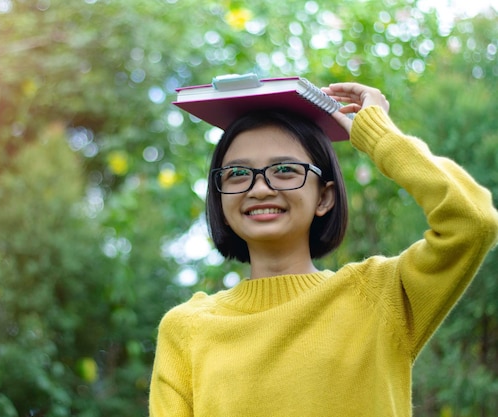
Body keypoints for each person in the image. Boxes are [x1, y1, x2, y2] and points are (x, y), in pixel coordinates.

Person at [148, 82, 498, 416]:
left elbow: (472, 221)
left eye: (284, 170)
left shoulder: (380, 295)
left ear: (325, 196)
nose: (259, 188)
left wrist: (379, 134)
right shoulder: (186, 329)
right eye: (238, 173)